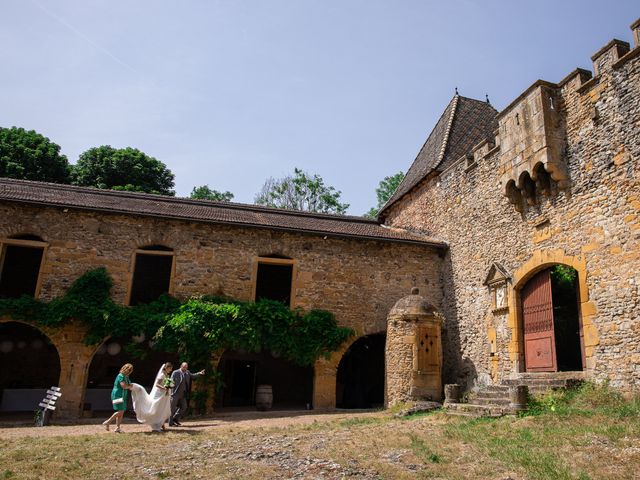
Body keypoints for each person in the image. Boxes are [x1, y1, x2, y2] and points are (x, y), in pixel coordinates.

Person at [130, 362, 174, 432]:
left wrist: (169, 386)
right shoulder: (162, 375)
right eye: (170, 368)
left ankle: (161, 424)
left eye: (171, 368)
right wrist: (164, 388)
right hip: (159, 394)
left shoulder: (167, 375)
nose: (170, 370)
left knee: (161, 409)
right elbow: (157, 384)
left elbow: (167, 384)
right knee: (156, 408)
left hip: (164, 395)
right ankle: (156, 425)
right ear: (166, 368)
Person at [169, 362, 205, 426]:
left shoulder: (187, 372)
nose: (185, 368)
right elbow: (171, 381)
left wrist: (200, 373)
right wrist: (170, 389)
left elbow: (193, 375)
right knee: (172, 408)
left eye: (186, 367)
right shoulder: (175, 372)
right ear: (181, 366)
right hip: (175, 393)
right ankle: (170, 423)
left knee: (184, 407)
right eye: (184, 367)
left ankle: (175, 418)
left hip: (183, 394)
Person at [102, 363, 134, 433]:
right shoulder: (121, 376)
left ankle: (117, 428)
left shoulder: (126, 377)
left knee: (121, 412)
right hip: (117, 394)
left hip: (123, 395)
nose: (129, 371)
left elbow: (129, 384)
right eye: (129, 370)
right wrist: (129, 387)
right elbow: (123, 386)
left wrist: (132, 386)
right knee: (121, 411)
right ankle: (108, 421)